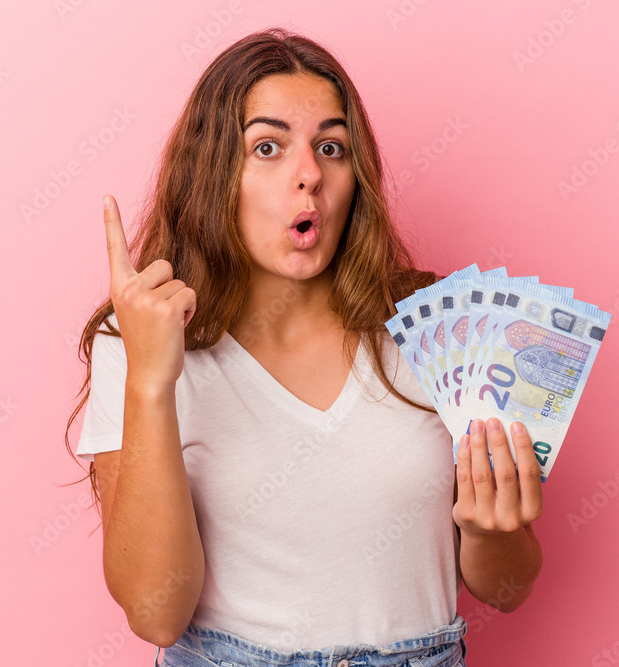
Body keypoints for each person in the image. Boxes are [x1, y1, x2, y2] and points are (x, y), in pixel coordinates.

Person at [65, 27, 543, 667]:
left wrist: (492, 528)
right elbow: (155, 613)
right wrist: (151, 384)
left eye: (331, 147)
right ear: (215, 175)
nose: (309, 174)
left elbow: (507, 589)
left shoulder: (438, 329)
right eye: (268, 146)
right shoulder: (138, 340)